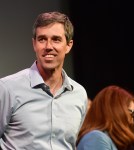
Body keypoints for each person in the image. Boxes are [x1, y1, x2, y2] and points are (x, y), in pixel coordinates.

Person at [0, 11, 88, 150]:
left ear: (68, 45)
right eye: (42, 39)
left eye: (56, 39)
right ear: (34, 44)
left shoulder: (79, 94)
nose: (48, 46)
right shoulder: (7, 88)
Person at [77, 85, 134, 150]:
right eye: (130, 113)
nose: (131, 121)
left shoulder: (101, 138)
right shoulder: (97, 138)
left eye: (133, 115)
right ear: (114, 110)